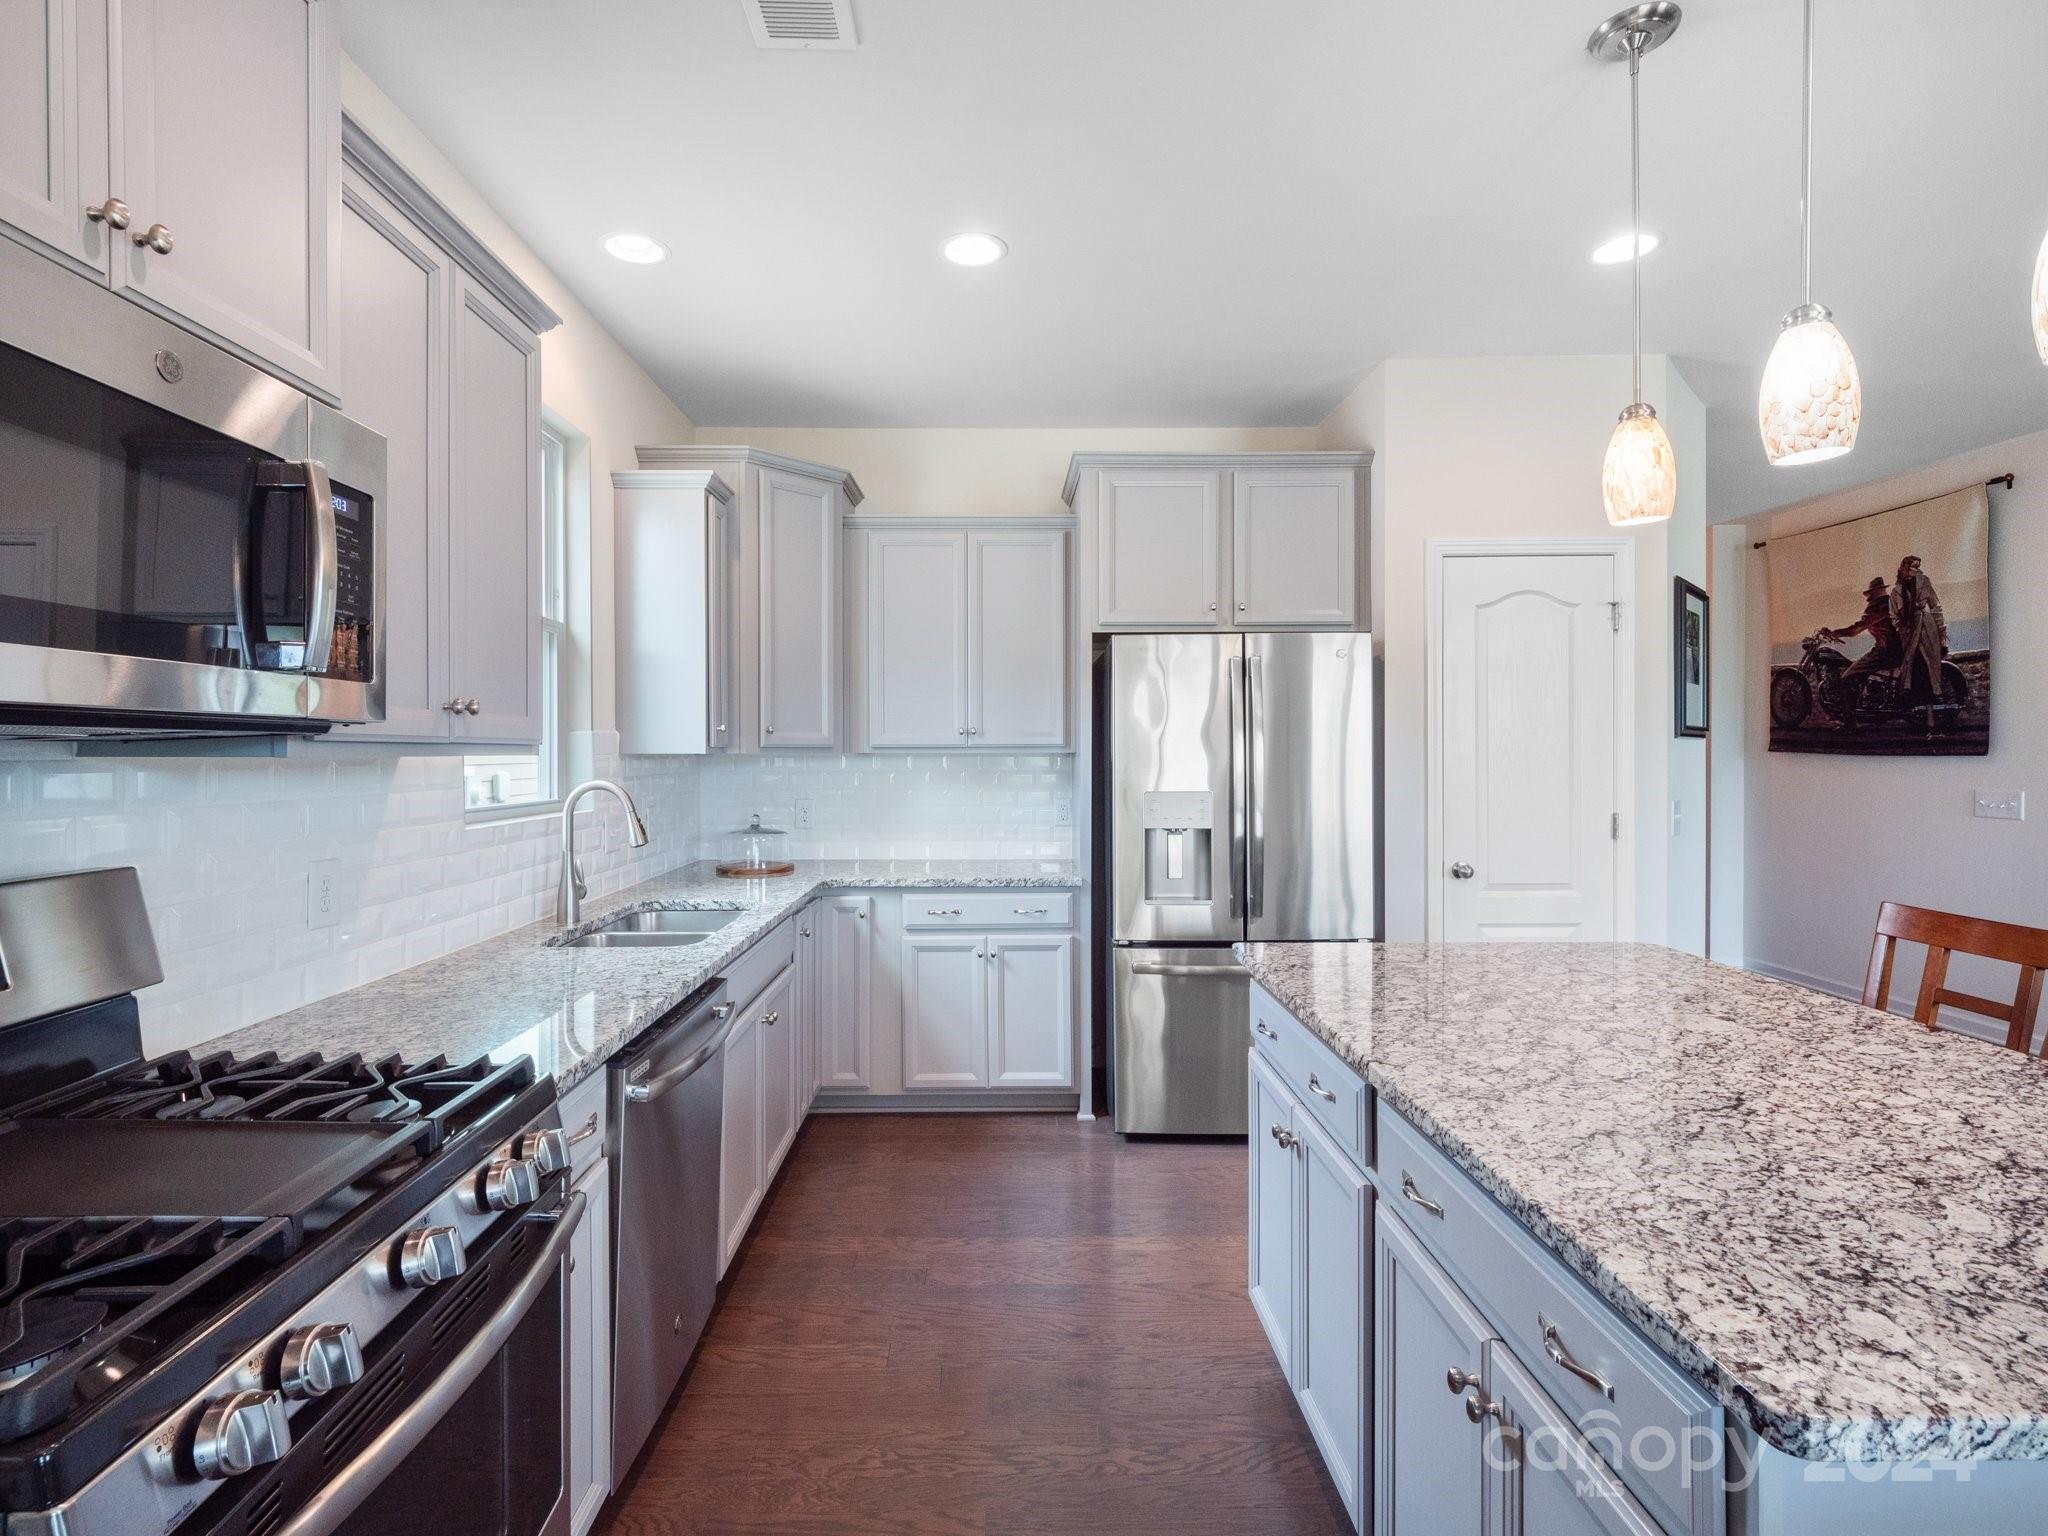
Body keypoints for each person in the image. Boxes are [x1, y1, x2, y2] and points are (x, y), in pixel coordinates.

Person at [1819, 577, 1900, 693]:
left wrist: (1834, 633)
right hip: (1894, 650)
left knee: (1847, 678)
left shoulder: (1879, 606)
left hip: (1885, 651)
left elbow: (1856, 629)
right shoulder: (1890, 603)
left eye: (1870, 593)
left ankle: (1847, 711)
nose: (1869, 598)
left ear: (1876, 591)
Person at [1889, 554, 1948, 703]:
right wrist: (1901, 630)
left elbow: (1935, 606)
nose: (1918, 570)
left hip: (1927, 627)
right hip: (1908, 632)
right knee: (1912, 663)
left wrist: (1941, 631)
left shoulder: (1924, 582)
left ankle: (1934, 697)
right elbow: (1894, 616)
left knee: (1929, 661)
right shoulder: (1896, 592)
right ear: (1905, 568)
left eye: (1918, 567)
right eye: (1914, 567)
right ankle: (1913, 701)